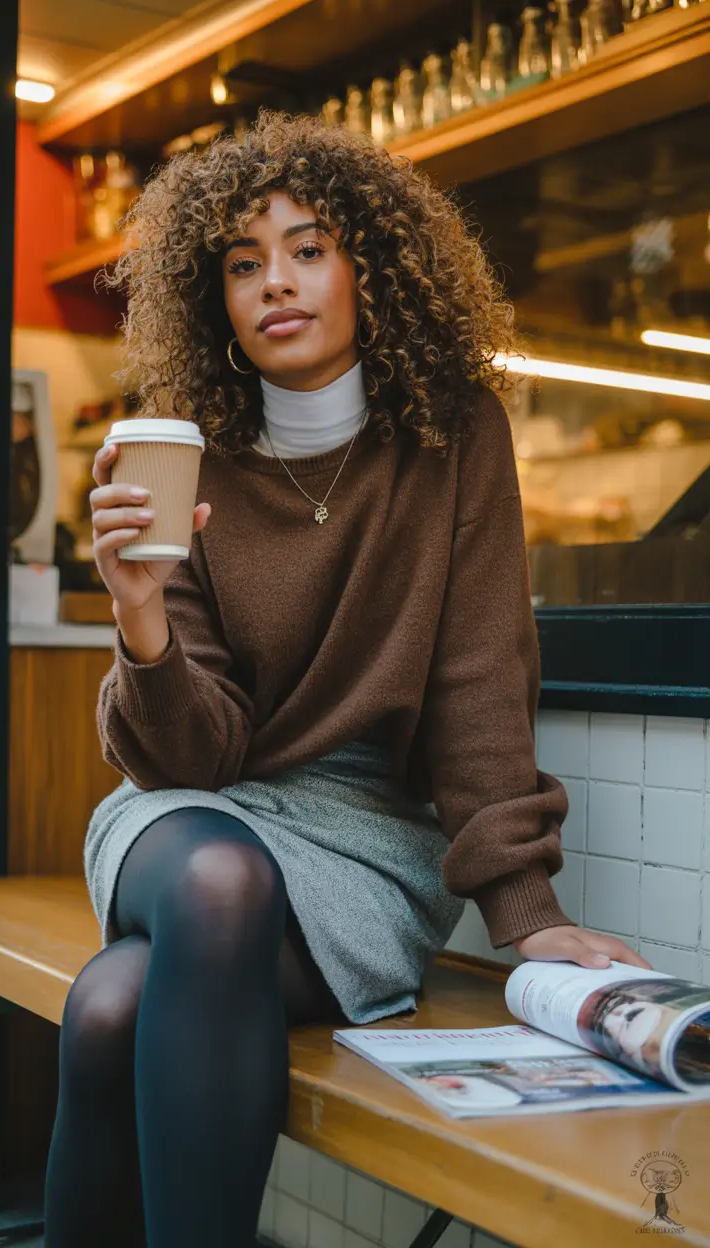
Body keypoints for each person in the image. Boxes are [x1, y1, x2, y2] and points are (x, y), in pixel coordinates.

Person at [43, 110, 653, 1248]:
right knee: (219, 883)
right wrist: (137, 619)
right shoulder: (183, 450)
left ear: (370, 264)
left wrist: (524, 914)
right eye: (240, 262)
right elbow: (195, 755)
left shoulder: (453, 433)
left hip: (365, 842)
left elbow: (478, 677)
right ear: (210, 297)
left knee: (112, 1006)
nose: (274, 282)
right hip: (194, 816)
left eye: (308, 248)